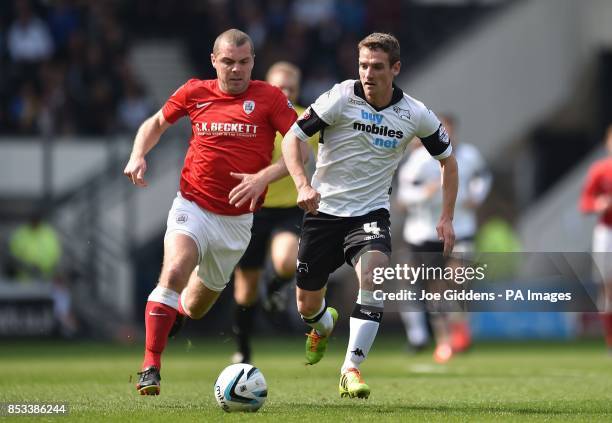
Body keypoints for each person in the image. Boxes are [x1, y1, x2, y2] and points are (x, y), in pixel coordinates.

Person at [281, 32, 458, 399]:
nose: (368, 73)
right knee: (307, 303)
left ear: (395, 68)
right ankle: (322, 323)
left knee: (375, 274)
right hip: (323, 211)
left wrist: (447, 216)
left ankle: (350, 368)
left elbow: (448, 160)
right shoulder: (340, 97)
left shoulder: (415, 113)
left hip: (370, 213)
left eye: (376, 67)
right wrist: (302, 184)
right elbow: (292, 138)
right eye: (363, 65)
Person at [123, 29, 298, 396]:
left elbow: (300, 150)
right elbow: (154, 124)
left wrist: (262, 178)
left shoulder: (269, 98)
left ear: (253, 61)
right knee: (172, 271)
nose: (237, 70)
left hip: (237, 224)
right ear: (214, 61)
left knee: (197, 306)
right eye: (229, 62)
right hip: (193, 206)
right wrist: (138, 154)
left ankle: (179, 314)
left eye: (244, 62)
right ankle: (150, 365)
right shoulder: (195, 91)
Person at [231, 61, 318, 364]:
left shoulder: (308, 118)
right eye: (280, 87)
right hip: (252, 209)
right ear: (267, 85)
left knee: (285, 261)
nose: (286, 92)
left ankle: (276, 287)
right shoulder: (249, 114)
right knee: (245, 290)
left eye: (291, 88)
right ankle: (243, 348)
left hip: (289, 209)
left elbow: (308, 154)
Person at [396, 113, 491, 362]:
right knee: (434, 289)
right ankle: (443, 341)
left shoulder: (469, 155)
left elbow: (483, 177)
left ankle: (459, 325)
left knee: (457, 278)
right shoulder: (418, 161)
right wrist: (425, 194)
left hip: (462, 229)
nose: (445, 137)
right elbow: (404, 196)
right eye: (440, 132)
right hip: (426, 233)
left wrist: (477, 196)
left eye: (449, 131)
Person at [580, 124, 612, 353]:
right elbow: (585, 202)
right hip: (606, 232)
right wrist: (598, 204)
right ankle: (610, 339)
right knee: (607, 287)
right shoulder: (600, 170)